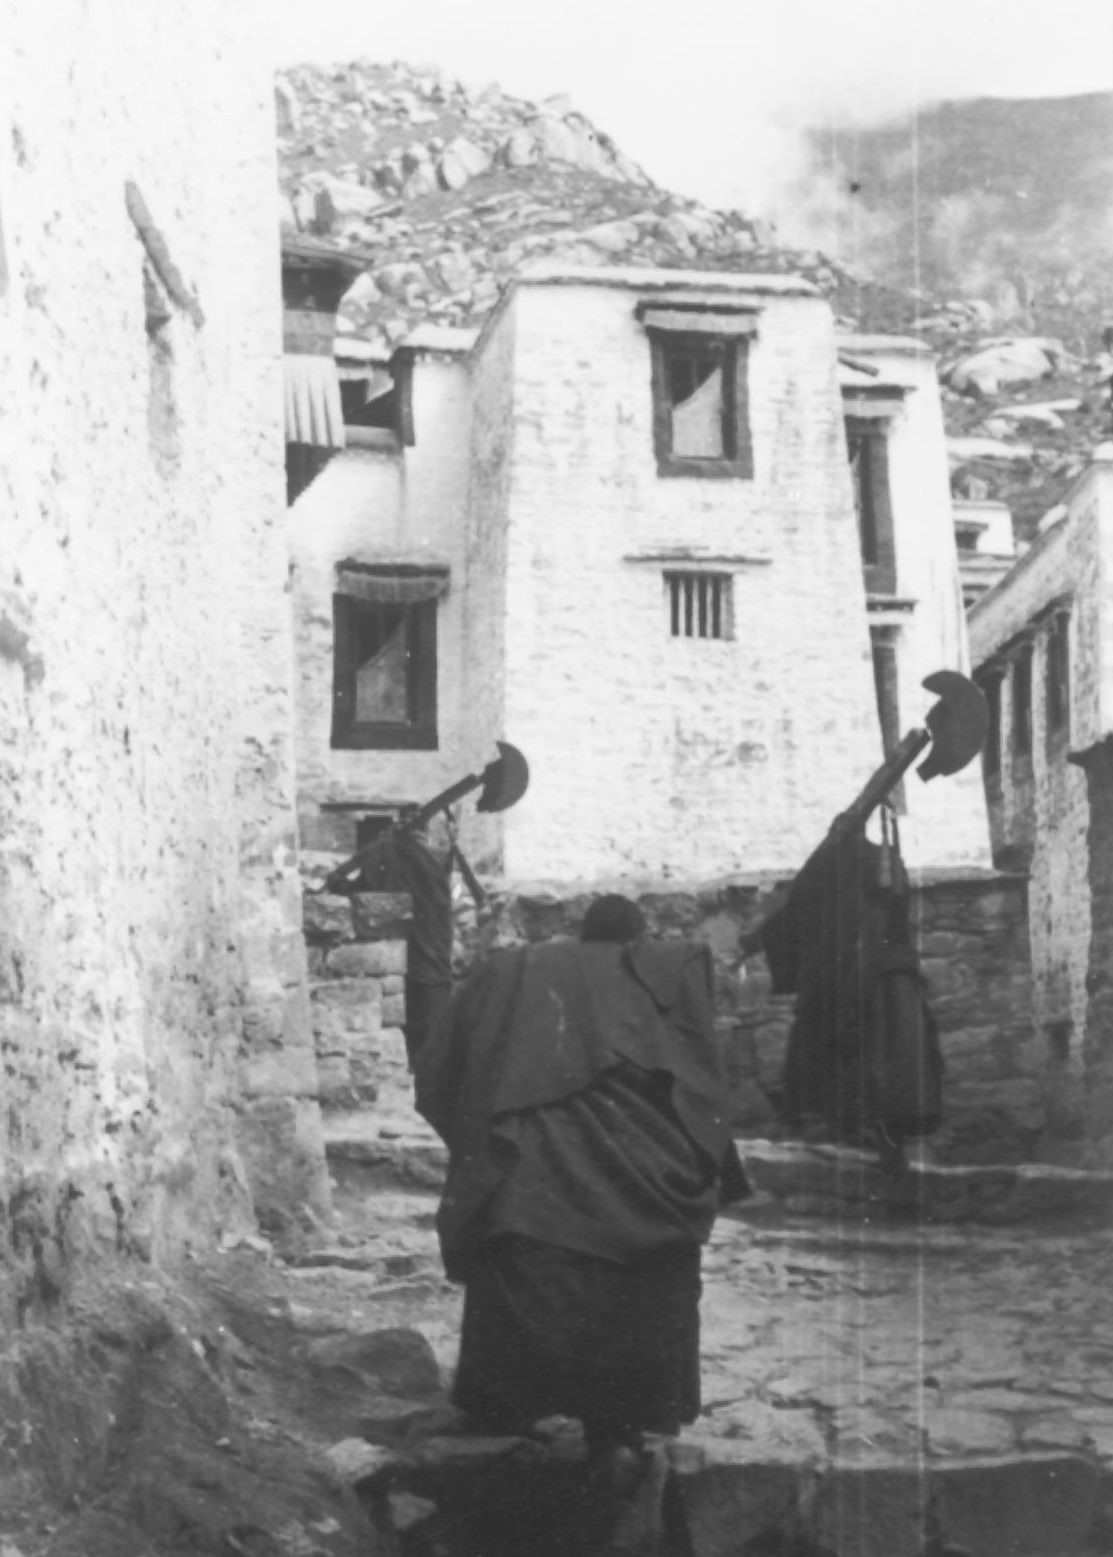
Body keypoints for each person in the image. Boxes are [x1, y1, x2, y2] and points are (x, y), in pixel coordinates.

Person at [413, 894, 748, 1483]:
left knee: (525, 1251)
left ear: (582, 935)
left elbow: (441, 1064)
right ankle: (617, 1428)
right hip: (645, 1169)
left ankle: (503, 1405)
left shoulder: (516, 973)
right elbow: (700, 1079)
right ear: (635, 941)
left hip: (535, 1169)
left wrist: (480, 1131)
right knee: (636, 1287)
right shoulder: (664, 977)